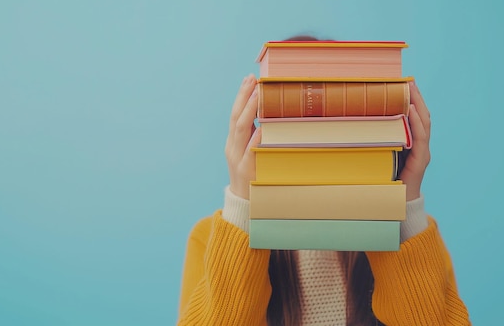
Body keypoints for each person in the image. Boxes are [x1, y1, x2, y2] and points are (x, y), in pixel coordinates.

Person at [176, 36, 471, 326]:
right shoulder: (209, 239)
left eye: (333, 126)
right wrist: (242, 205)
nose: (317, 145)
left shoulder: (416, 238)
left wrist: (403, 209)